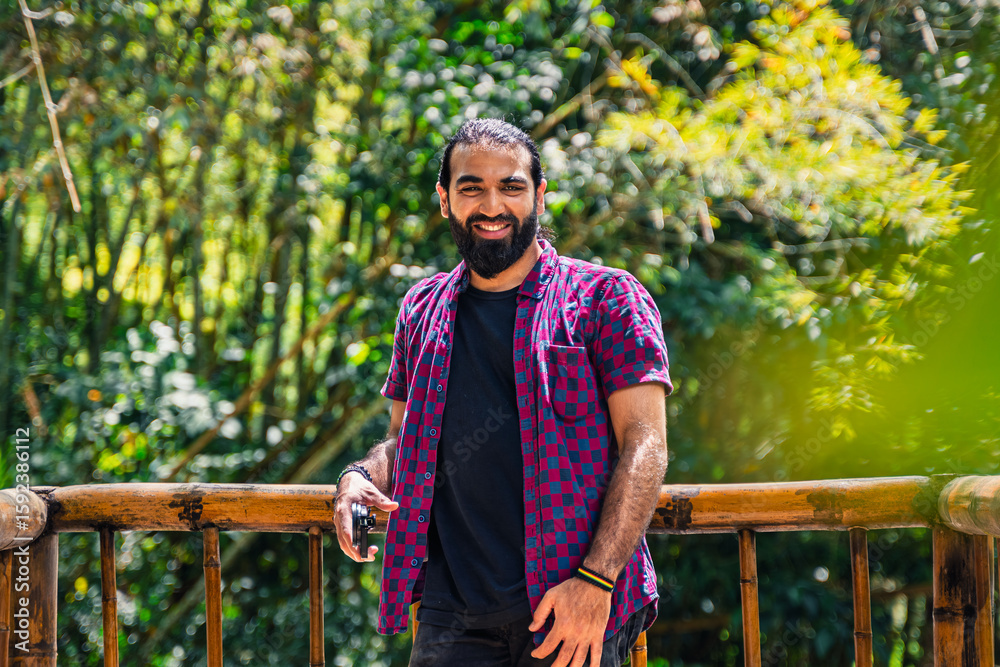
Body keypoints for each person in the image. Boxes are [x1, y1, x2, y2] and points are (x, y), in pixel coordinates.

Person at [334, 118, 672, 667]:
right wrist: (359, 477)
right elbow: (404, 442)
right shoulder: (421, 308)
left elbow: (645, 444)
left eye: (511, 187)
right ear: (444, 200)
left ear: (539, 196)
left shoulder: (607, 298)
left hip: (568, 604)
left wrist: (596, 581)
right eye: (472, 187)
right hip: (451, 615)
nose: (493, 205)